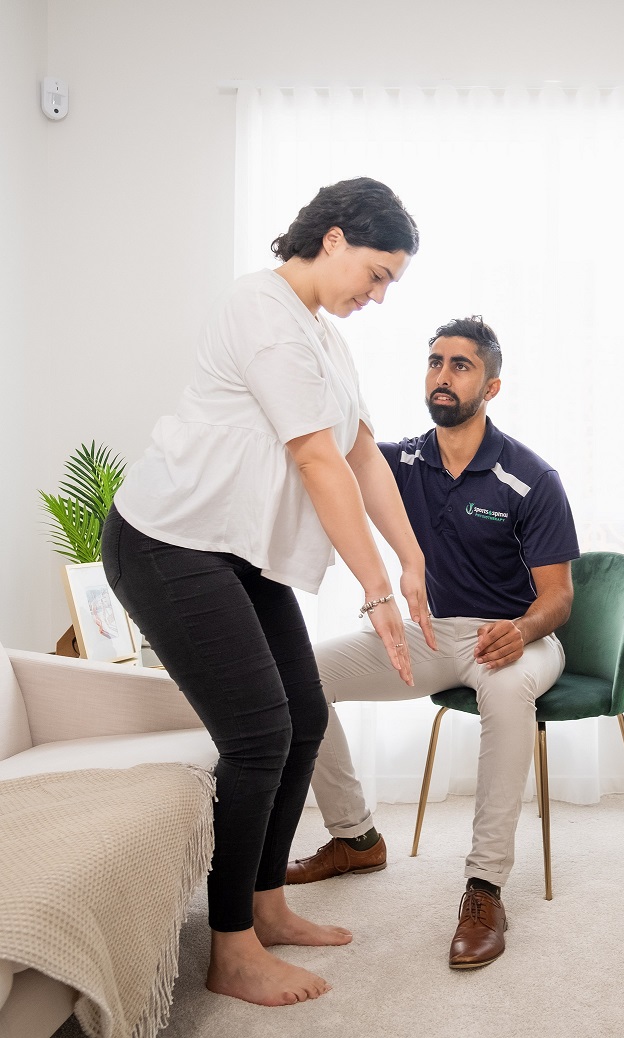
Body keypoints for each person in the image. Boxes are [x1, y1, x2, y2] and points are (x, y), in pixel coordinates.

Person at [101, 177, 437, 1007]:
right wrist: (375, 593)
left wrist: (412, 560)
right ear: (331, 238)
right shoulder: (259, 311)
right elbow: (315, 459)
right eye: (377, 271)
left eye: (391, 280)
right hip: (168, 542)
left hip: (236, 553)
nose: (378, 293)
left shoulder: (326, 338)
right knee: (258, 735)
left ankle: (265, 904)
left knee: (305, 717)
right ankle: (231, 947)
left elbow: (362, 455)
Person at [286, 315, 580, 970]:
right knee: (299, 673)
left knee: (506, 698)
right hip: (429, 636)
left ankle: (484, 888)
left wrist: (522, 630)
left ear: (492, 385)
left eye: (460, 365)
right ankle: (354, 837)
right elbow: (331, 455)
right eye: (434, 361)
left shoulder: (530, 476)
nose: (442, 376)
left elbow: (558, 598)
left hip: (512, 636)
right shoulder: (397, 463)